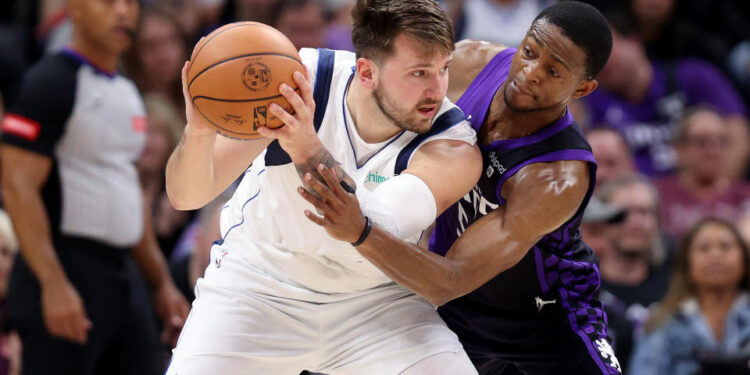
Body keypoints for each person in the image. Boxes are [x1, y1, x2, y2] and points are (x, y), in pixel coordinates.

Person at [298, 2, 622, 374]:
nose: (531, 72)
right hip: (453, 306)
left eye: (553, 71)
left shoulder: (557, 175)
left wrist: (361, 230)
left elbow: (450, 279)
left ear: (582, 87)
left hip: (543, 321)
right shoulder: (469, 64)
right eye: (529, 52)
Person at [165, 0, 482, 374]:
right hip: (259, 286)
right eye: (419, 73)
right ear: (366, 72)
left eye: (443, 69)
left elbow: (381, 226)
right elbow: (186, 196)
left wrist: (307, 148)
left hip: (376, 303)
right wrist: (199, 133)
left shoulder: (454, 145)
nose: (437, 89)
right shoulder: (299, 80)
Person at [0, 0, 190, 374]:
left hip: (121, 277)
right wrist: (53, 284)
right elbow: (17, 186)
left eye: (130, 3)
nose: (123, 12)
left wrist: (160, 283)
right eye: (108, 1)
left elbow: (127, 194)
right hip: (63, 270)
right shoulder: (49, 83)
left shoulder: (128, 92)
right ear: (74, 7)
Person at [629, 218, 750, 375]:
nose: (715, 255)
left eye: (725, 247)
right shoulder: (663, 321)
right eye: (703, 248)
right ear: (687, 263)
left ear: (744, 260)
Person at [654, 106, 750, 239]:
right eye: (702, 142)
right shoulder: (657, 195)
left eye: (720, 141)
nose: (712, 151)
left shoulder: (746, 197)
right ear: (679, 149)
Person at [597, 175, 672, 329]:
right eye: (623, 213)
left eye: (644, 212)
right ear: (601, 220)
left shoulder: (675, 285)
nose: (635, 223)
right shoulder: (581, 288)